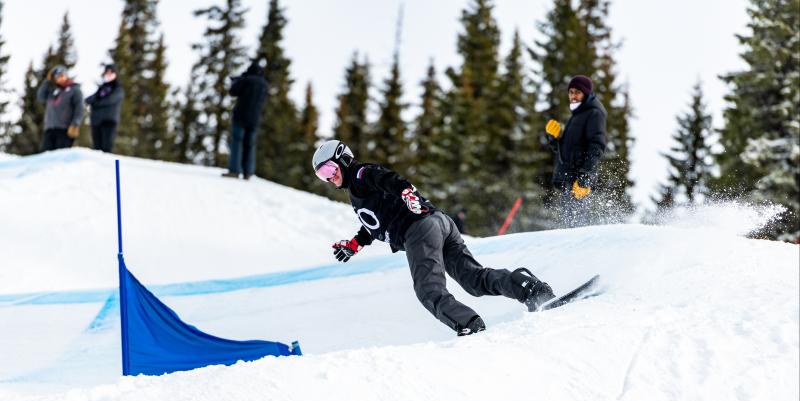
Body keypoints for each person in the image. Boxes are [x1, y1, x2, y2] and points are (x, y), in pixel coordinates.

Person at [311, 140, 556, 336]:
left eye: (330, 169)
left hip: (419, 229)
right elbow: (374, 225)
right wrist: (355, 244)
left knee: (429, 291)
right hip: (439, 223)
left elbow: (388, 179)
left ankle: (470, 326)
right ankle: (530, 288)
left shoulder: (361, 174)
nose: (330, 177)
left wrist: (407, 192)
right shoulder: (356, 192)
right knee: (473, 279)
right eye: (322, 175)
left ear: (344, 159)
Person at [545, 75, 607, 228]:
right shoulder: (577, 115)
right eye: (571, 92)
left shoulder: (594, 113)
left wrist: (585, 176)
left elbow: (597, 146)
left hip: (579, 181)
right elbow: (568, 150)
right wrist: (554, 139)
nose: (573, 96)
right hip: (569, 179)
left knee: (576, 229)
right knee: (569, 227)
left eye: (577, 92)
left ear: (586, 93)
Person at [222, 59, 268, 180]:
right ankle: (248, 172)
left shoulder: (246, 80)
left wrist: (237, 81)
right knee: (250, 145)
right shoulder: (264, 84)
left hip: (240, 116)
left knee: (237, 143)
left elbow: (233, 91)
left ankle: (234, 170)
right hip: (255, 118)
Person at [37, 65, 84, 151]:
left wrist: (75, 123)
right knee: (45, 156)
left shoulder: (74, 90)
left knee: (60, 156)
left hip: (65, 129)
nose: (60, 78)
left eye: (62, 75)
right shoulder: (53, 91)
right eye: (57, 76)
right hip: (50, 128)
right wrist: (47, 81)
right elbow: (41, 97)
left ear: (66, 76)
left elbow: (79, 108)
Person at [85, 64, 124, 153]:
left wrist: (95, 103)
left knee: (106, 148)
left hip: (108, 122)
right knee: (97, 148)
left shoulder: (117, 88)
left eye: (111, 72)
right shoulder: (102, 88)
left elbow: (110, 100)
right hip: (96, 121)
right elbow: (91, 98)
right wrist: (88, 101)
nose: (108, 74)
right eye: (107, 72)